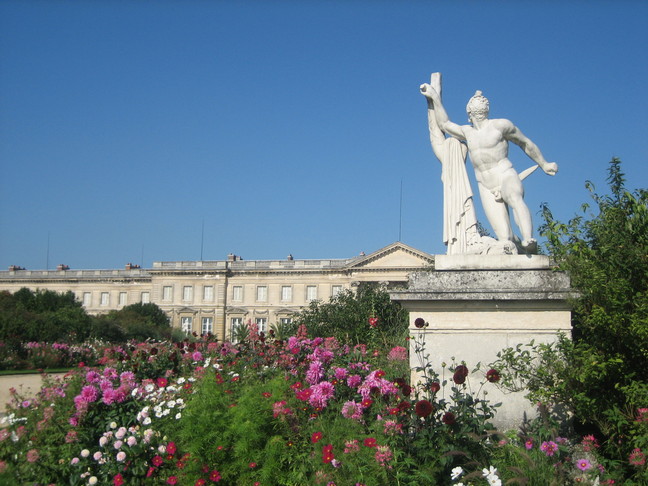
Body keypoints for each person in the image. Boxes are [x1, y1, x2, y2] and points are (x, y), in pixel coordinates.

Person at [420, 82, 558, 252]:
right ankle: (520, 247)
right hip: (485, 184)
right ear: (470, 112)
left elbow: (525, 143)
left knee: (515, 198)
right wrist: (434, 98)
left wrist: (543, 163)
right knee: (505, 238)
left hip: (504, 174)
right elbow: (444, 124)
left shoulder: (500, 125)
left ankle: (528, 238)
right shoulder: (467, 132)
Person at [423, 73, 483, 254]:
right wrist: (433, 97)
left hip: (456, 196)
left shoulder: (450, 152)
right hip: (459, 196)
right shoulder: (458, 150)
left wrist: (433, 99)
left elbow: (435, 129)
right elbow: (438, 128)